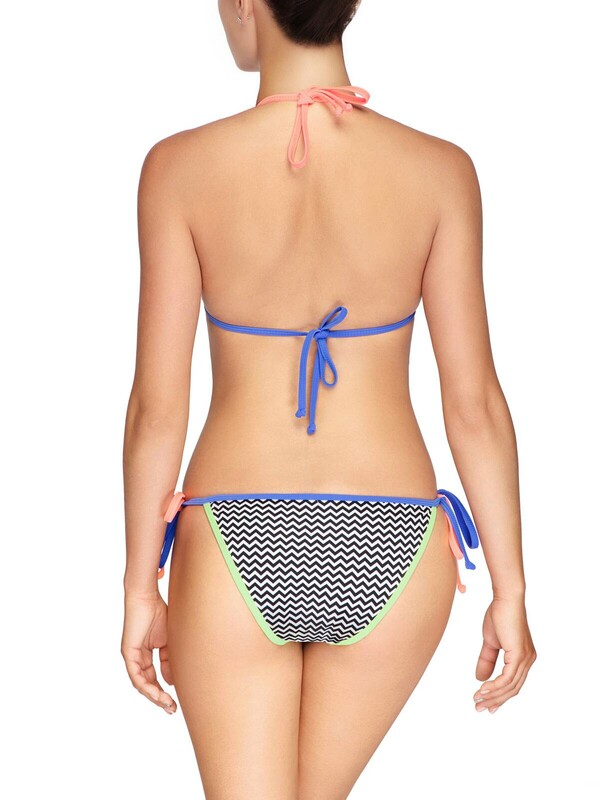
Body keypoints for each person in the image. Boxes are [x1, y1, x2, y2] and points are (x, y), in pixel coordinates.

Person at [121, 1, 537, 797]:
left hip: (234, 535)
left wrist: (142, 587)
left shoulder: (178, 168)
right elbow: (475, 405)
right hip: (397, 541)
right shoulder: (441, 170)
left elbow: (156, 413)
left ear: (246, 4)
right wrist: (511, 591)